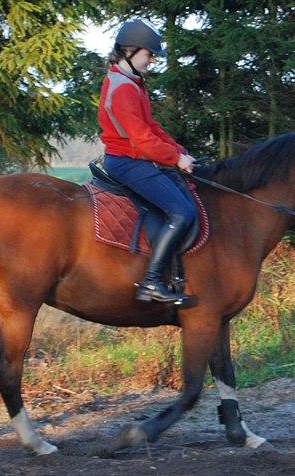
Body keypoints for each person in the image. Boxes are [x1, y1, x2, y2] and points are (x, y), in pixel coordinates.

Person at [98, 18, 197, 304]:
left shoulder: (131, 83)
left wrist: (179, 151)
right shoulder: (124, 88)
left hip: (134, 158)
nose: (152, 61)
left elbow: (152, 128)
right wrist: (175, 158)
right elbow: (141, 139)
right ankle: (151, 282)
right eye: (149, 54)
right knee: (181, 212)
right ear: (129, 50)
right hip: (126, 162)